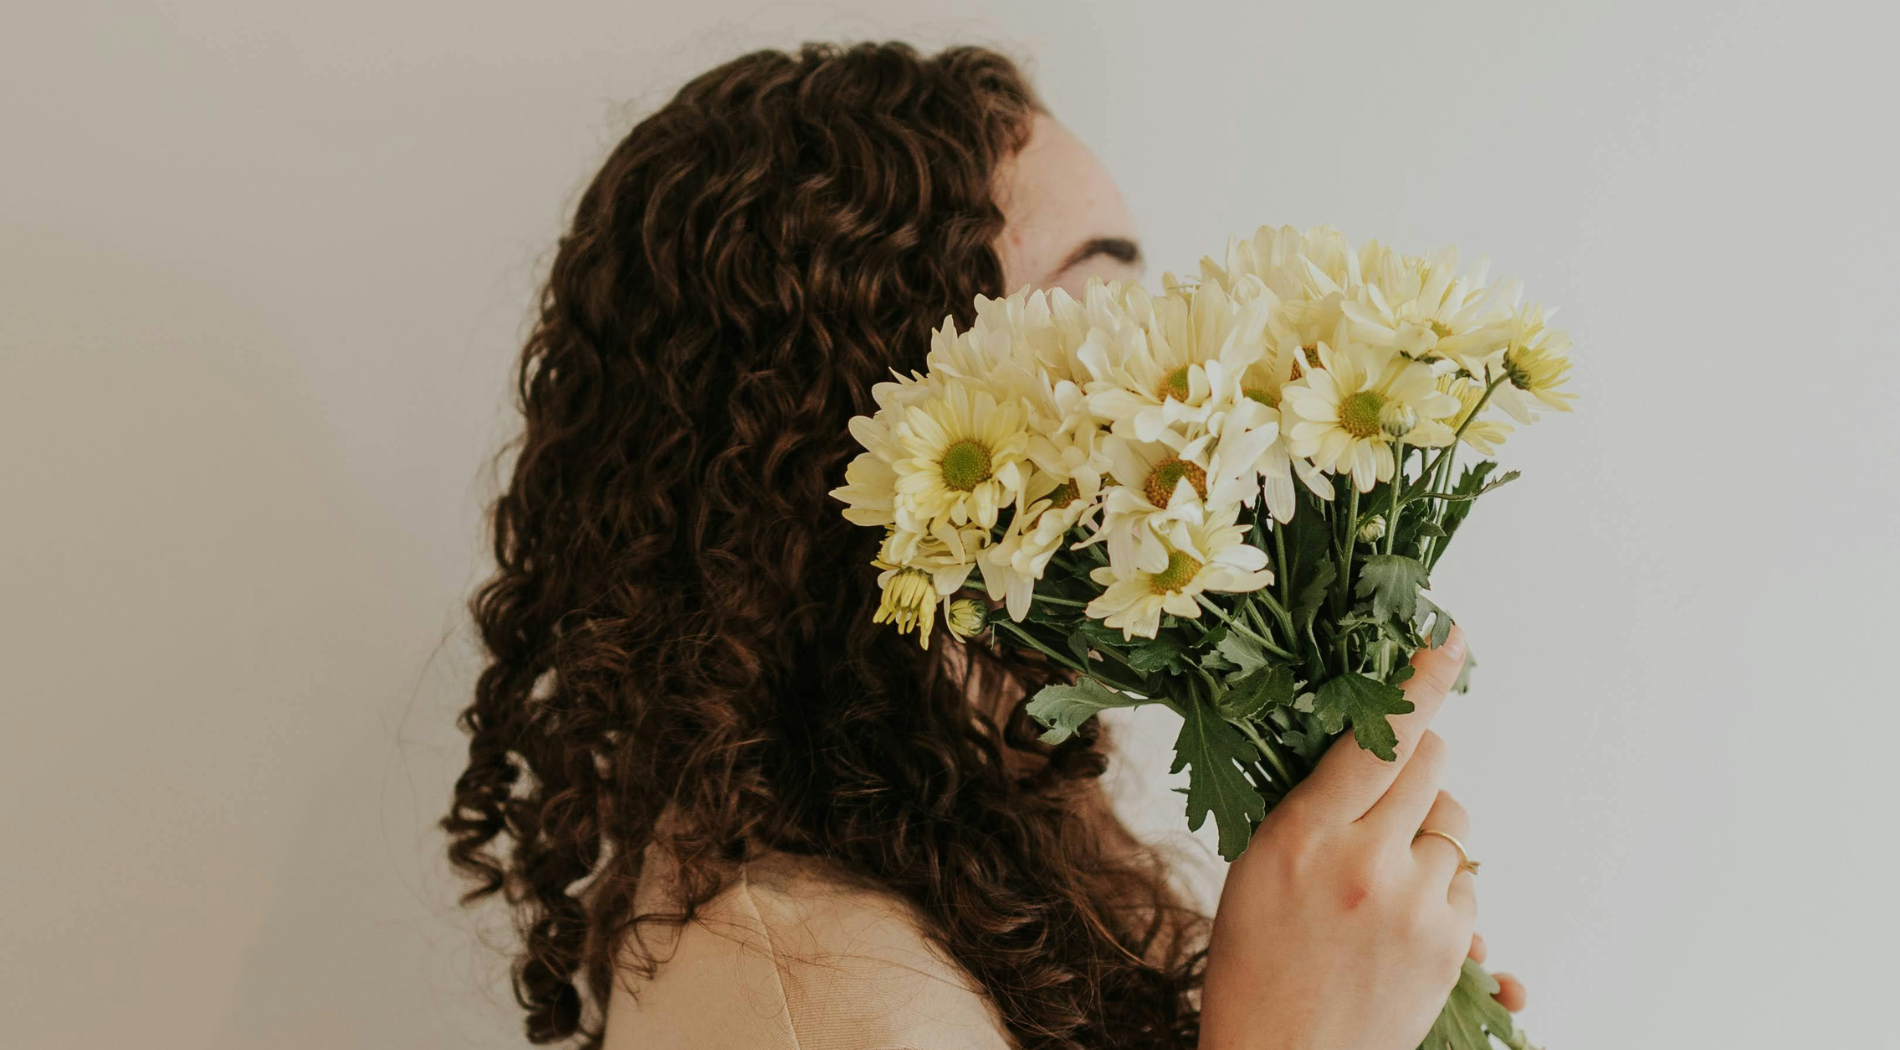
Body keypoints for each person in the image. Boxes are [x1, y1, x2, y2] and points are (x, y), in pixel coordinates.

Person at [444, 41, 1527, 1050]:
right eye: (1093, 309)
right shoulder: (824, 1000)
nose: (1175, 379)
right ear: (869, 422)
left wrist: (1362, 987)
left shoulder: (979, 813)